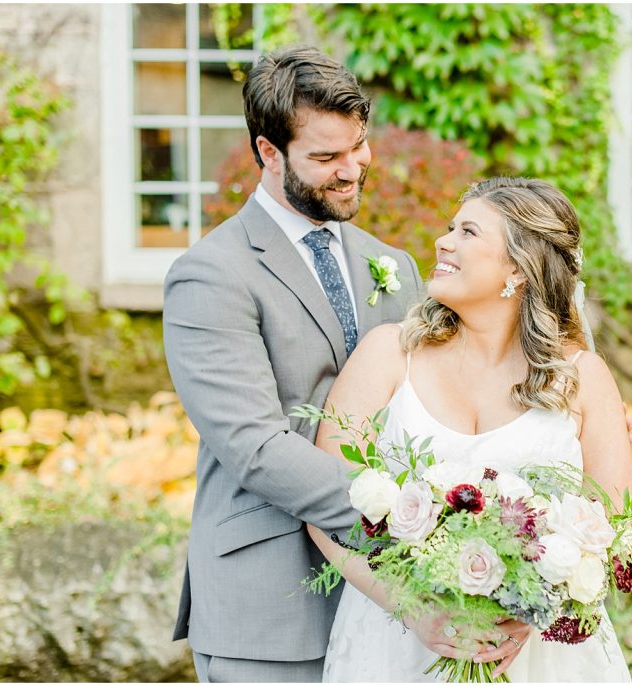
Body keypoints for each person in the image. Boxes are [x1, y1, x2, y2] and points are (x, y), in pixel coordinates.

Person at [162, 46, 479, 682]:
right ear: (269, 153)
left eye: (358, 146)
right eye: (326, 157)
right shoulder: (210, 275)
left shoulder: (393, 264)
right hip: (270, 604)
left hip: (395, 607)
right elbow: (253, 445)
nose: (352, 168)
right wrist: (403, 524)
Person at [308, 177, 632, 682]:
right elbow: (323, 511)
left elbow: (613, 531)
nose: (444, 241)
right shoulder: (389, 354)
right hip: (394, 647)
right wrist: (413, 609)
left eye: (468, 232)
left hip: (539, 656)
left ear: (518, 268)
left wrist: (538, 605)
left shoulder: (582, 378)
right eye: (449, 228)